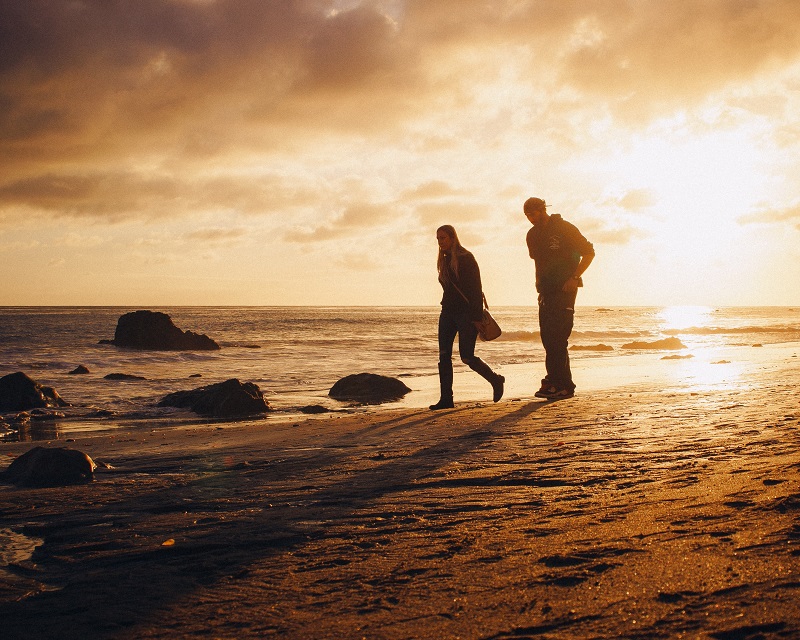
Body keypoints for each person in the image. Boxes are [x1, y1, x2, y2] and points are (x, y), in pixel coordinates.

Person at [524, 197, 595, 400]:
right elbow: (538, 261)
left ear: (543, 209)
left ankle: (564, 385)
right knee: (547, 338)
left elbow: (589, 252)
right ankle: (554, 381)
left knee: (558, 336)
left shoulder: (565, 228)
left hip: (565, 289)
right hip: (545, 291)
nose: (530, 218)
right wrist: (538, 285)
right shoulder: (532, 234)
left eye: (533, 213)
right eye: (527, 215)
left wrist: (575, 277)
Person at [431, 225, 504, 410]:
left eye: (444, 238)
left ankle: (495, 379)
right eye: (438, 238)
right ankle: (446, 399)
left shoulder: (466, 258)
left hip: (466, 315)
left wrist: (476, 317)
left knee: (467, 356)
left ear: (453, 238)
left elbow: (475, 289)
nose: (440, 242)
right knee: (444, 355)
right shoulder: (444, 259)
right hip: (447, 312)